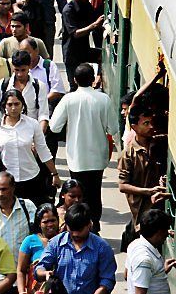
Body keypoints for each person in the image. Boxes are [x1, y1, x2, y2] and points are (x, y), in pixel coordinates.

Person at [48, 64, 119, 229]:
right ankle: (94, 226)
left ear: (74, 80)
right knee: (94, 193)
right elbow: (113, 128)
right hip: (98, 157)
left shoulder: (69, 99)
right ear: (93, 80)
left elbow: (54, 126)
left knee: (77, 195)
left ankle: (79, 225)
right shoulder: (103, 99)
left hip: (76, 157)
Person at [0, 89, 61, 206]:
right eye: (10, 104)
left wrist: (54, 174)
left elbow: (43, 151)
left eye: (17, 104)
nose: (13, 108)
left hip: (31, 178)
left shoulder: (32, 124)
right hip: (6, 182)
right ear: (4, 106)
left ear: (23, 105)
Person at [35, 203, 117, 294]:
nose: (75, 234)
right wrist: (44, 273)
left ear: (89, 224)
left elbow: (108, 279)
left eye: (80, 230)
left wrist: (100, 291)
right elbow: (40, 267)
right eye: (72, 229)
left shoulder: (102, 248)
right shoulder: (56, 244)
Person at [117, 107, 168, 245]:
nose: (151, 127)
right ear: (134, 126)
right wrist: (148, 191)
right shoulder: (128, 154)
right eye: (146, 123)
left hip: (159, 206)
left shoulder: (159, 144)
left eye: (151, 122)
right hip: (141, 212)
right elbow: (123, 186)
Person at [60, 0, 104, 83]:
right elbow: (75, 34)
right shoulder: (68, 10)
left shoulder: (86, 6)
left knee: (102, 55)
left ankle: (99, 78)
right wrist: (93, 26)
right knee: (74, 84)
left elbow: (94, 17)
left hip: (84, 49)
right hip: (72, 54)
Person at [0, 171, 37, 263]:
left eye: (4, 189)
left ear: (13, 188)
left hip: (25, 270)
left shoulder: (28, 207)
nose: (0, 194)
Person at [0, 51, 49, 132]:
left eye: (23, 70)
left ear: (30, 66)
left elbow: (43, 115)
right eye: (17, 70)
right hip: (8, 133)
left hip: (30, 133)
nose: (19, 74)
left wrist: (38, 138)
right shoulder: (3, 85)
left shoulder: (39, 87)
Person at [125, 210, 176, 294]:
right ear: (159, 232)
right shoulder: (145, 260)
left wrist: (160, 272)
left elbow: (127, 275)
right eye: (166, 230)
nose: (168, 234)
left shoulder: (134, 244)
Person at [16, 205, 61, 294]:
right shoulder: (30, 241)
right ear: (39, 224)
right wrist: (21, 292)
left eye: (53, 220)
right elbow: (21, 270)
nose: (50, 224)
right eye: (45, 222)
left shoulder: (64, 240)